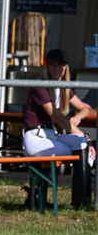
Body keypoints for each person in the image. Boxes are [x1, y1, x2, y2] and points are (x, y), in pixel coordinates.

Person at [22, 48, 97, 209]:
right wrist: (87, 137)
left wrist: (79, 116)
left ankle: (81, 201)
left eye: (61, 64)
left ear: (66, 67)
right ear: (47, 66)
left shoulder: (64, 87)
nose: (57, 68)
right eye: (53, 64)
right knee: (82, 148)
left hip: (51, 136)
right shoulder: (41, 86)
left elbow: (86, 108)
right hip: (36, 139)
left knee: (81, 145)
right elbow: (59, 118)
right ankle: (79, 203)